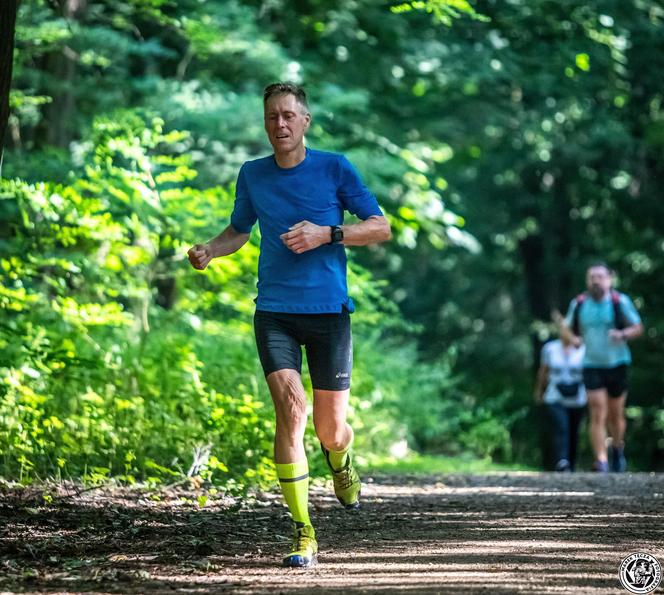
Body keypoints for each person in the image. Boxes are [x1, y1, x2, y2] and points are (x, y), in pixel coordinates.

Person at [187, 82, 391, 568]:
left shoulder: (334, 167)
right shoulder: (253, 175)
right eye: (271, 117)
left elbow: (381, 227)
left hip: (328, 314)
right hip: (275, 311)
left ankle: (340, 461)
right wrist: (210, 250)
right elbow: (239, 229)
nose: (279, 124)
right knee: (290, 411)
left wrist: (328, 233)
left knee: (330, 429)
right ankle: (303, 531)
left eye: (287, 116)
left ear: (304, 121)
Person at [561, 262, 643, 472]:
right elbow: (565, 329)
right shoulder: (579, 303)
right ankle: (602, 460)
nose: (595, 281)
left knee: (616, 414)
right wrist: (573, 339)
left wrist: (622, 334)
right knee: (597, 411)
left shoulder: (619, 301)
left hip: (617, 363)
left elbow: (638, 327)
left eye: (599, 276)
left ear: (609, 278)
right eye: (591, 277)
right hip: (591, 363)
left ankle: (617, 448)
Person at [534, 333, 587, 472]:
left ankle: (571, 464)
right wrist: (539, 391)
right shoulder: (550, 348)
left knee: (574, 431)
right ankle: (562, 461)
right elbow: (543, 371)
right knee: (561, 427)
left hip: (578, 398)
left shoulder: (584, 349)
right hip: (555, 396)